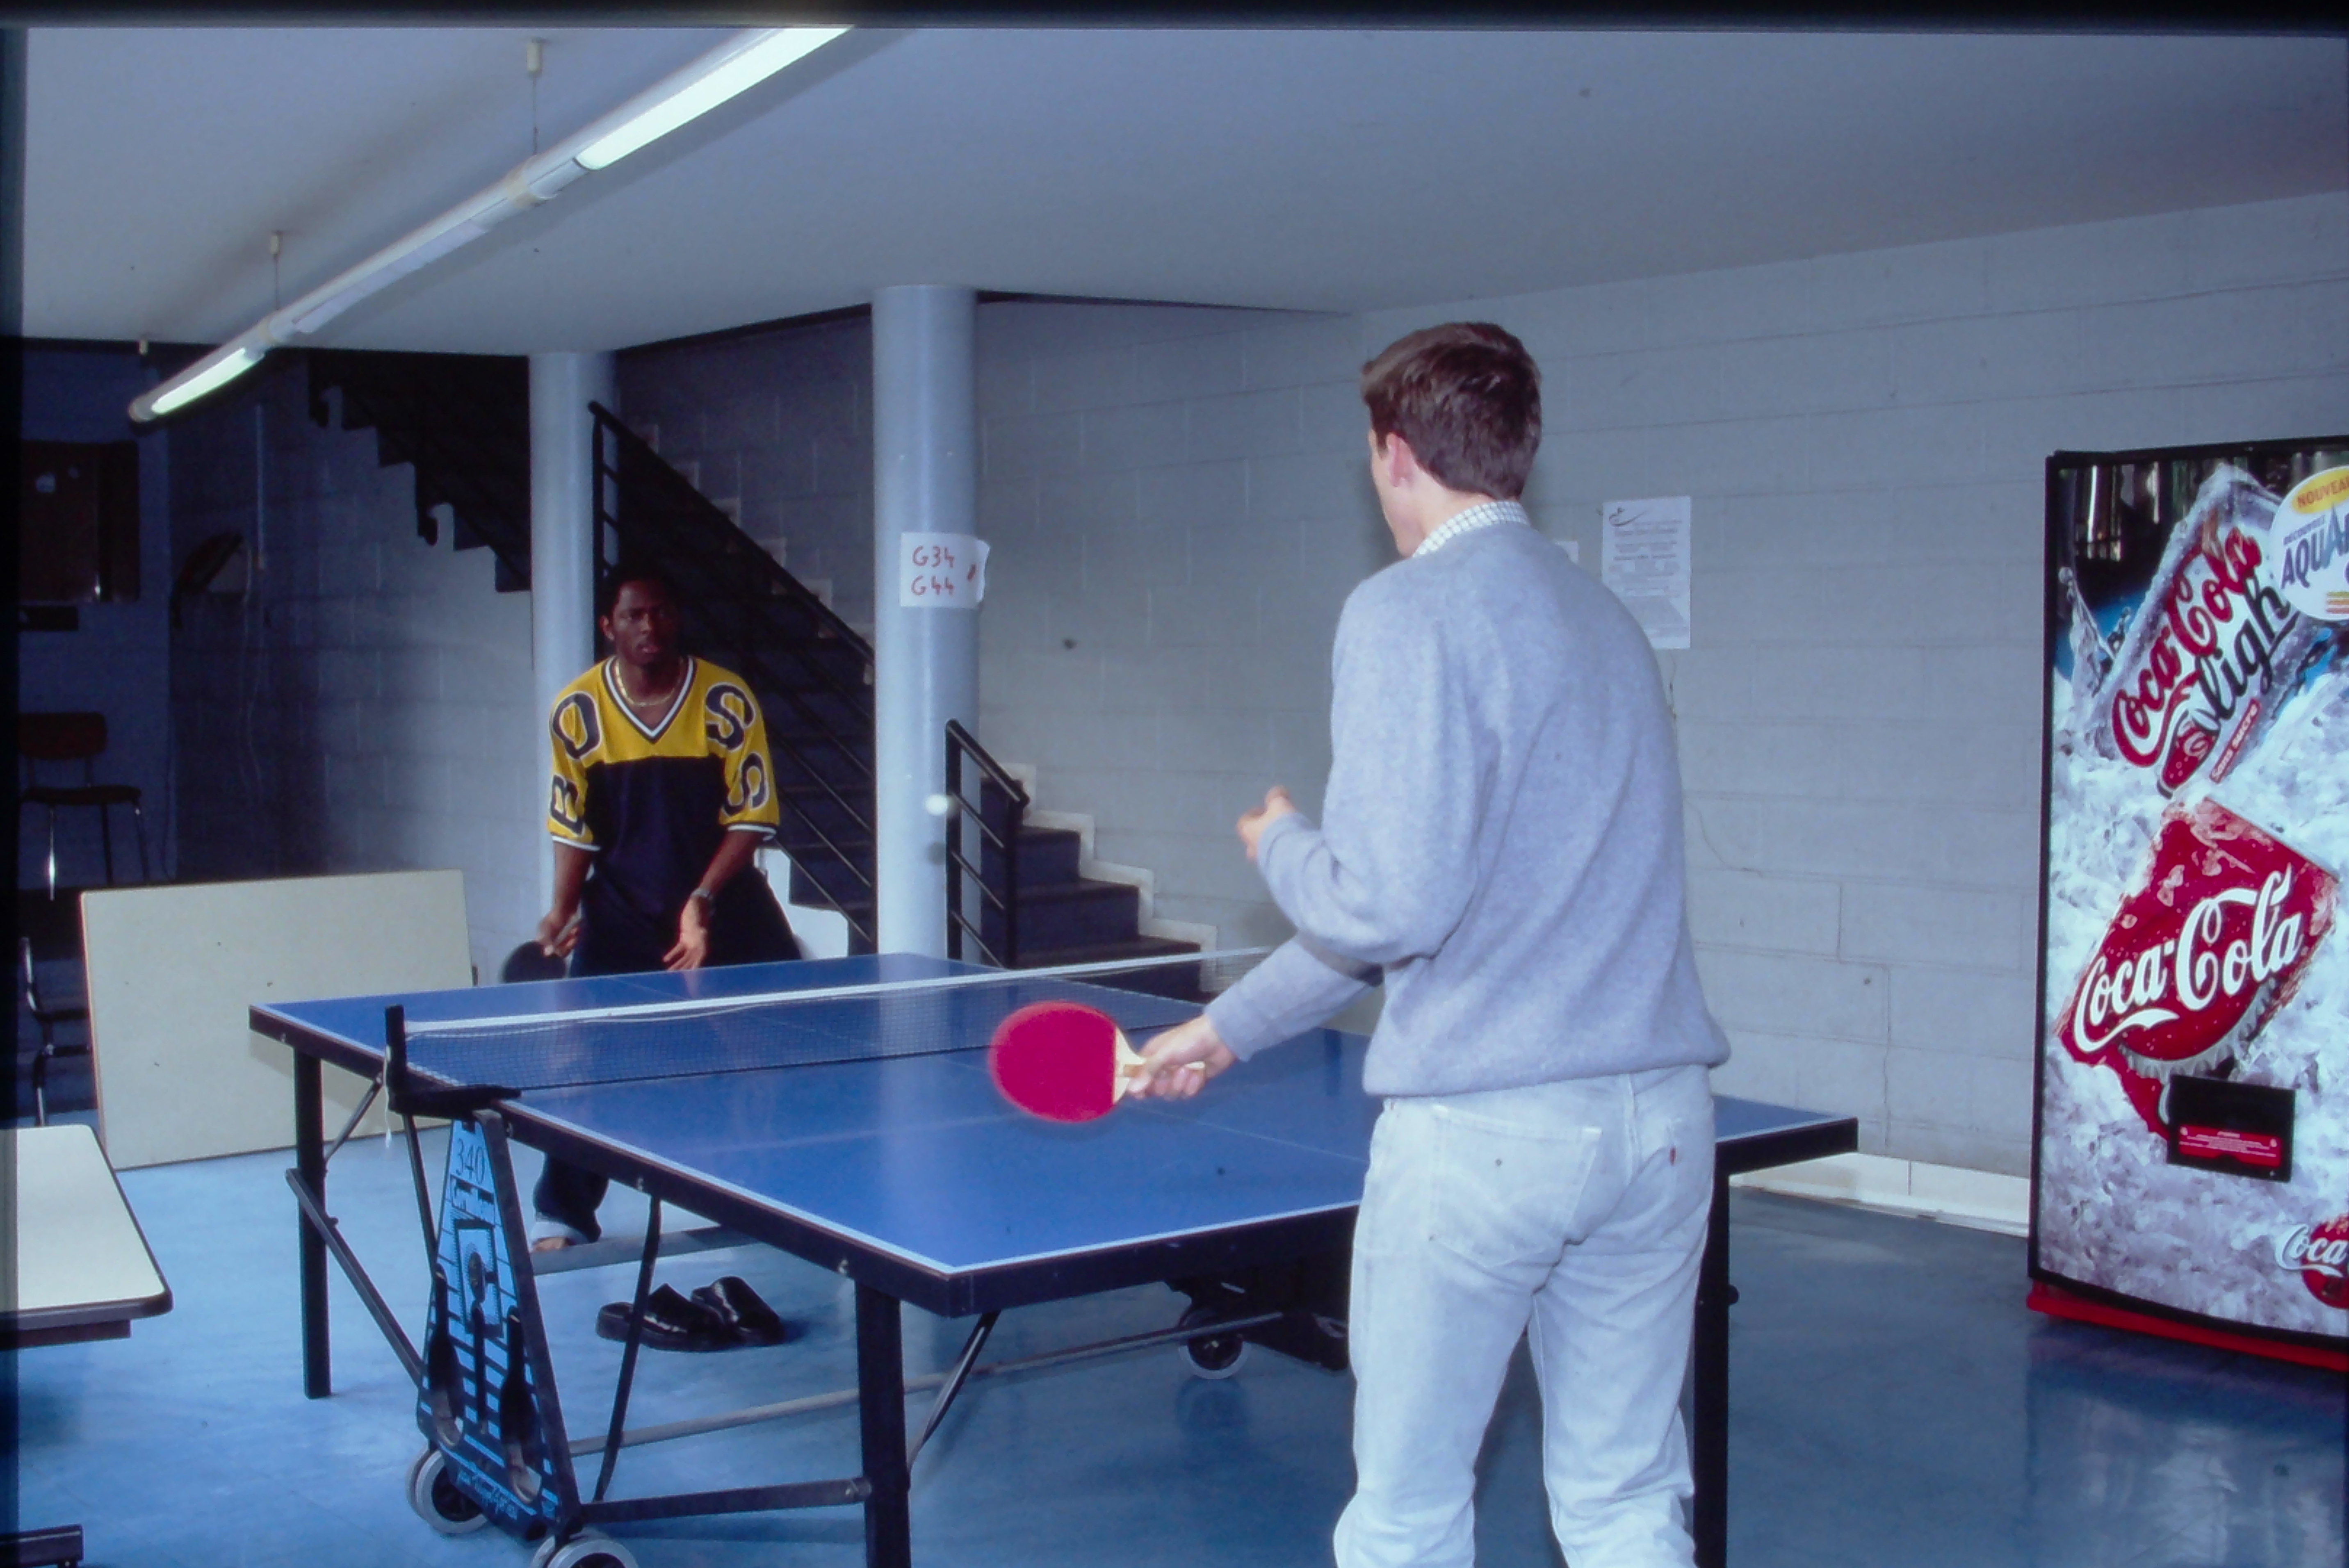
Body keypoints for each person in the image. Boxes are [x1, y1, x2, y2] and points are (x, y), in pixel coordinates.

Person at [1135, 322, 1730, 1568]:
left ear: (1392, 453)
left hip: (1488, 1138)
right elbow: (1450, 907)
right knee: (1626, 1503)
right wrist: (1222, 1030)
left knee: (1406, 1515)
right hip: (1661, 1128)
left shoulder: (1405, 614)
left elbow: (1388, 909)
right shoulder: (1603, 617)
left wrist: (1280, 840)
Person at [531, 563, 800, 1252]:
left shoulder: (725, 700)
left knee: (772, 1050)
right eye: (633, 615)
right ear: (608, 626)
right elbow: (576, 828)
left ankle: (779, 1197)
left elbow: (751, 815)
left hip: (726, 903)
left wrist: (702, 902)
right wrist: (562, 908)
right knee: (586, 1060)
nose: (649, 626)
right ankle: (565, 1214)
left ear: (676, 618)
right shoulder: (578, 712)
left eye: (661, 612)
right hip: (622, 911)